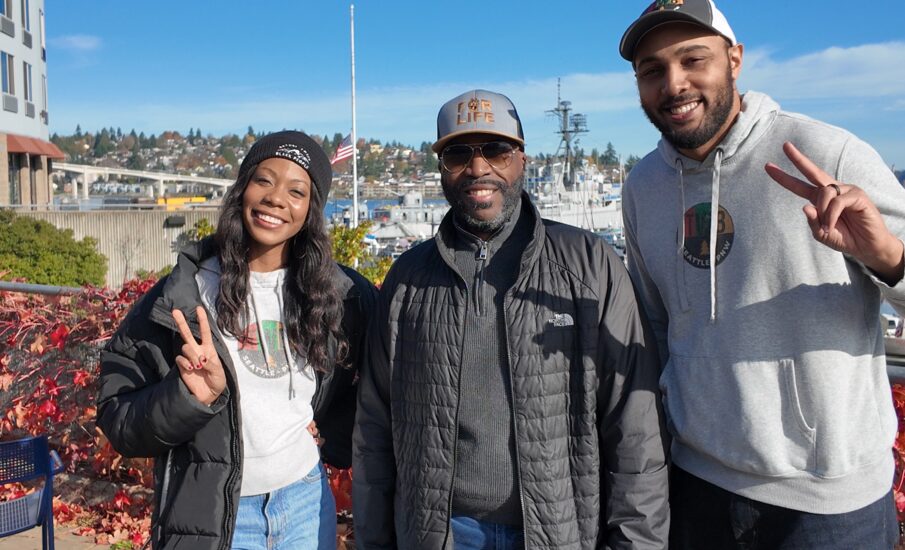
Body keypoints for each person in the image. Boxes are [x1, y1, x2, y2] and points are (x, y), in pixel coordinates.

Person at [618, 1, 905, 547]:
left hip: (829, 506)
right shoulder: (643, 187)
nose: (673, 84)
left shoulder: (825, 152)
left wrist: (888, 256)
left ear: (735, 59)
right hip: (695, 484)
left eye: (692, 60)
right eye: (652, 70)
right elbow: (656, 326)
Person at [353, 89, 669, 549]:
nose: (479, 168)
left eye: (497, 150)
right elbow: (376, 427)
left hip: (557, 532)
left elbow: (635, 428)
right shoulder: (407, 279)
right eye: (459, 153)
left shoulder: (591, 266)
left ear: (522, 159)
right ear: (442, 168)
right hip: (440, 534)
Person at [96, 131, 377, 550]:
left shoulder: (341, 294)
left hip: (304, 502)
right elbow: (118, 418)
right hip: (216, 517)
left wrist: (338, 440)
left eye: (296, 191)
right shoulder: (180, 297)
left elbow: (373, 382)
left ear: (311, 210)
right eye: (263, 180)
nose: (276, 198)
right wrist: (189, 398)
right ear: (242, 188)